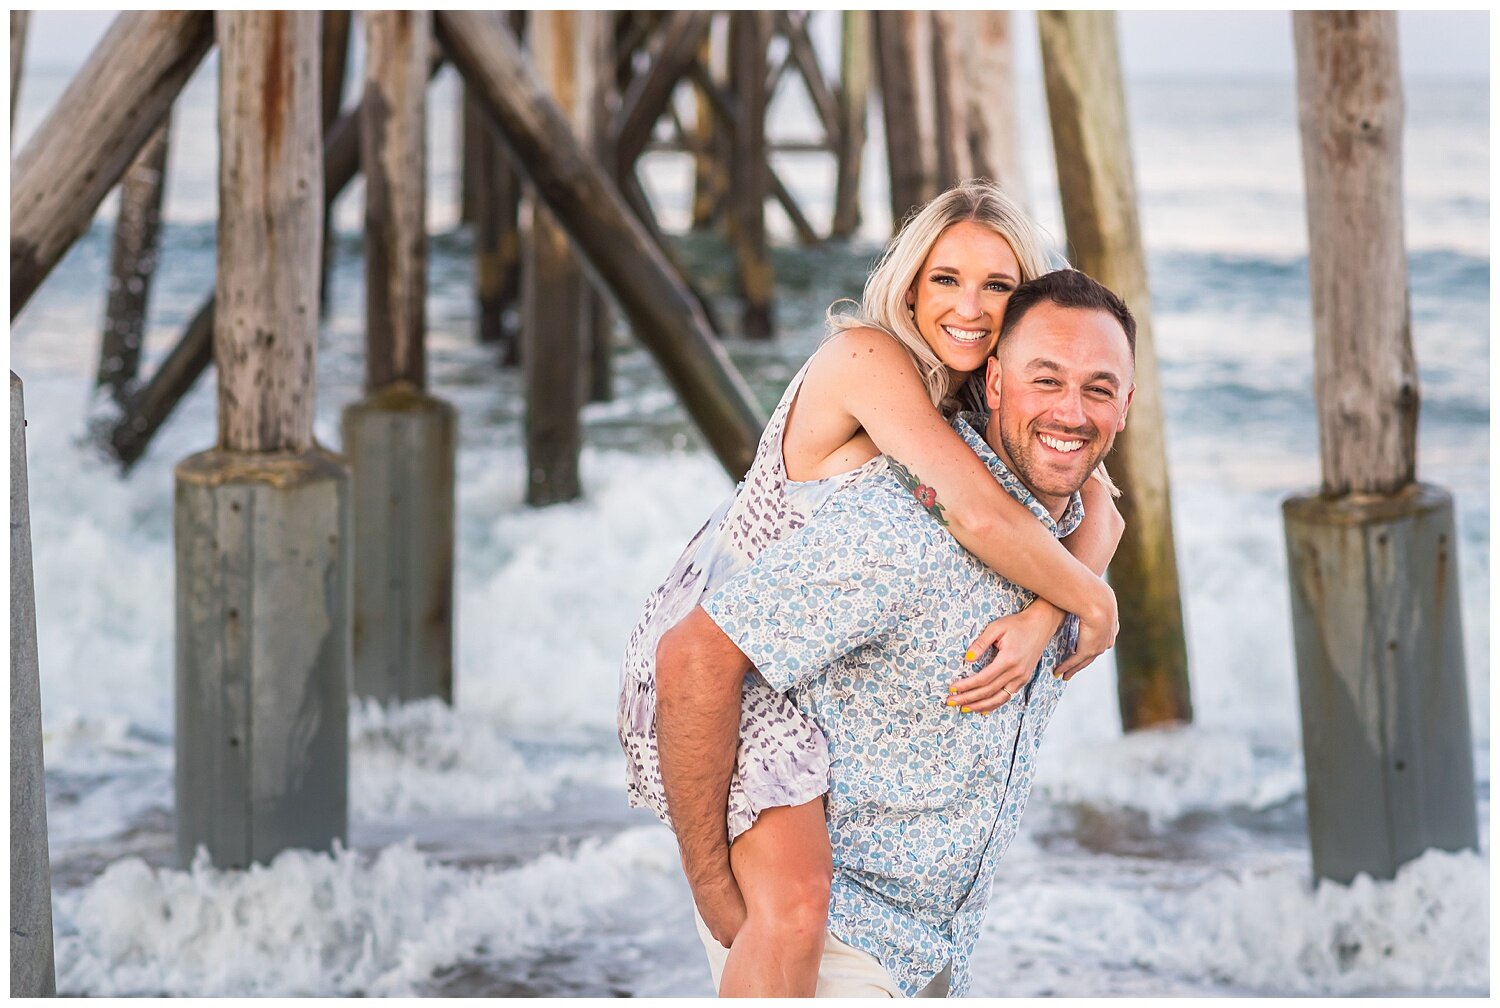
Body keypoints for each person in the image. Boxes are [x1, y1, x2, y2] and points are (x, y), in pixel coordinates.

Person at [617, 181, 1123, 995]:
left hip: (796, 652)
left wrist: (1042, 616)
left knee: (801, 909)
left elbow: (1102, 503)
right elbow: (977, 517)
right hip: (728, 652)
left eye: (998, 286)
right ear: (910, 288)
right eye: (946, 279)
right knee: (794, 906)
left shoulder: (971, 396)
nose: (970, 306)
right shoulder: (870, 357)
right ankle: (721, 912)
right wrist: (1092, 602)